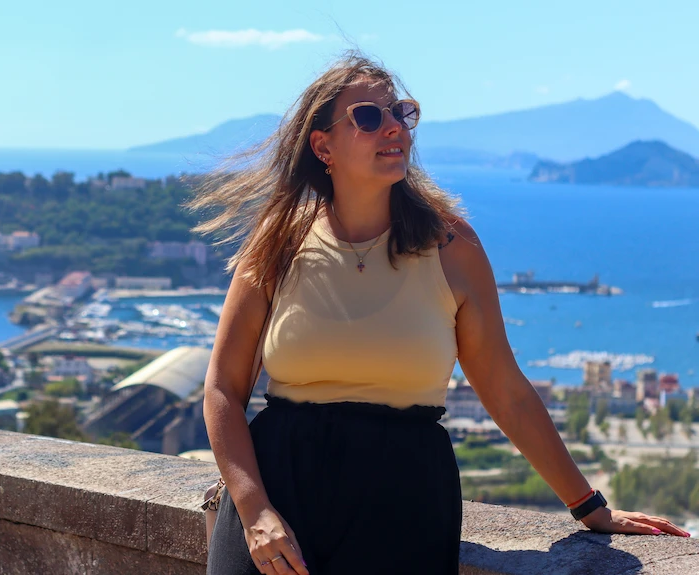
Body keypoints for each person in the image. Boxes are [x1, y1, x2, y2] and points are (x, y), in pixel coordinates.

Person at [191, 52, 689, 575]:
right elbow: (223, 387)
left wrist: (590, 508)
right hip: (279, 492)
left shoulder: (450, 246)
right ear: (323, 146)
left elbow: (505, 388)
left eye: (401, 113)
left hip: (404, 497)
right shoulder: (278, 243)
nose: (394, 128)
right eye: (368, 116)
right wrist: (254, 509)